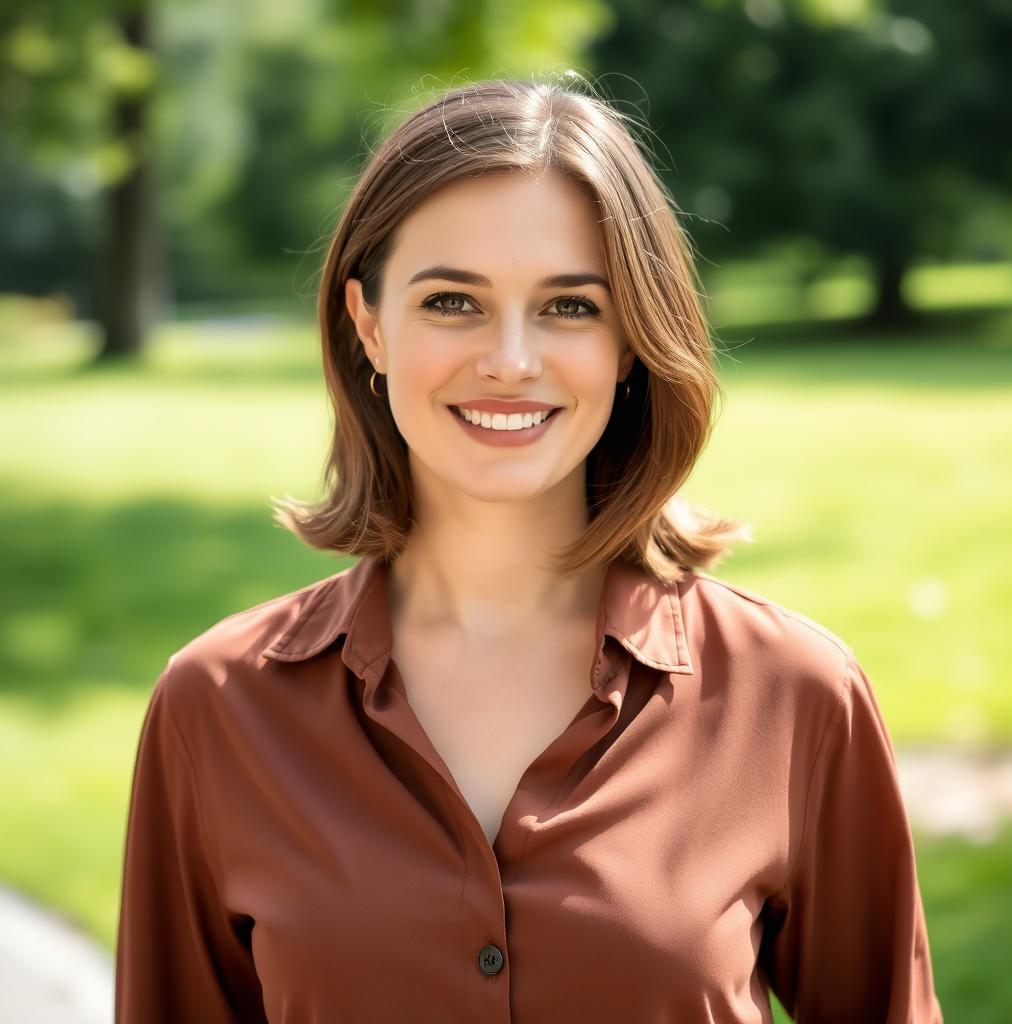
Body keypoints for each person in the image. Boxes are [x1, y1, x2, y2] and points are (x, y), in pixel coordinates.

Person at [114, 76, 943, 1022]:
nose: (510, 359)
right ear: (369, 324)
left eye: (569, 308)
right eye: (454, 303)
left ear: (632, 338)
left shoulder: (794, 693)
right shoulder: (217, 710)